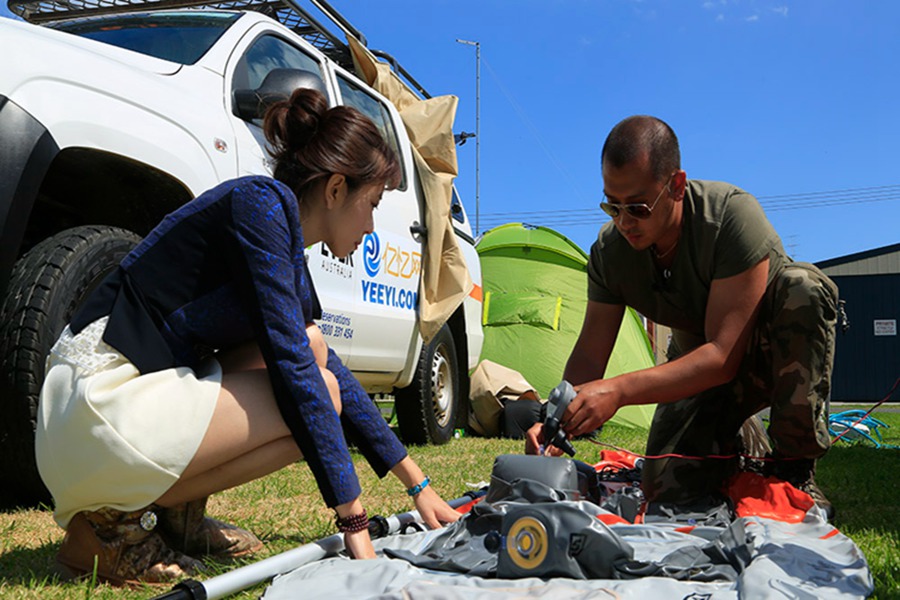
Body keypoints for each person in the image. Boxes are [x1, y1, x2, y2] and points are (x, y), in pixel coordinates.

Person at [36, 87, 461, 586]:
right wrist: (355, 524)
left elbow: (321, 362)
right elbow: (296, 368)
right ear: (335, 189)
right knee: (312, 383)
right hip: (95, 399)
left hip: (115, 410)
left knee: (317, 354)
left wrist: (419, 484)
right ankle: (107, 534)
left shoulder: (282, 242)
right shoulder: (260, 204)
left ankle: (175, 519)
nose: (371, 228)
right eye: (371, 204)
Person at [525, 115, 838, 518]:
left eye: (637, 207)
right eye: (611, 205)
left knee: (804, 288)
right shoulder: (609, 253)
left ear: (675, 185)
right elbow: (589, 357)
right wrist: (556, 422)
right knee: (666, 485)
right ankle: (741, 442)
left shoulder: (729, 217)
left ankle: (795, 468)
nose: (623, 222)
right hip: (696, 375)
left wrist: (618, 392)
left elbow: (723, 356)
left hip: (765, 359)